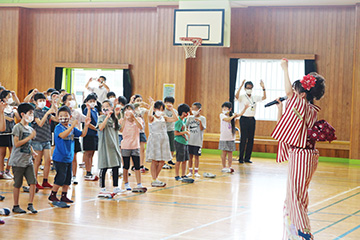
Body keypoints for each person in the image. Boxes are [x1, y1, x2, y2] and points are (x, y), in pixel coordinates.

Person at [272, 59, 327, 240]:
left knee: (294, 196)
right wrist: (281, 108)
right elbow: (288, 124)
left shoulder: (303, 106)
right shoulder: (309, 109)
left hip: (301, 154)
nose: (292, 94)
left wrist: (284, 68)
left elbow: (288, 92)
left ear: (303, 93)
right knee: (297, 197)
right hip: (305, 154)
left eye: (297, 91)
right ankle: (293, 234)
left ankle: (303, 233)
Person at [48, 106, 90, 204]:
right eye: (61, 116)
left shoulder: (72, 128)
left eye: (66, 115)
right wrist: (72, 126)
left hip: (68, 158)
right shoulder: (58, 127)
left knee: (68, 178)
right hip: (59, 158)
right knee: (60, 177)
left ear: (70, 116)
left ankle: (64, 195)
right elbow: (63, 135)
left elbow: (82, 134)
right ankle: (53, 195)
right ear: (58, 117)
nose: (64, 117)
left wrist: (86, 125)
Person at [8, 103, 38, 214]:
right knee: (18, 184)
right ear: (22, 114)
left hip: (28, 161)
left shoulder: (30, 128)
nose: (32, 115)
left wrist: (33, 152)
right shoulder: (17, 127)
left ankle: (30, 204)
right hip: (18, 161)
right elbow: (16, 144)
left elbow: (28, 144)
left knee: (33, 182)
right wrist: (29, 137)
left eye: (32, 113)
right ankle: (16, 205)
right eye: (30, 113)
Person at [146, 99, 177, 187]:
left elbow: (175, 119)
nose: (160, 111)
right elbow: (149, 114)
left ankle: (156, 178)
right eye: (159, 109)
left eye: (162, 109)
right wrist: (152, 104)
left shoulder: (164, 117)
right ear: (155, 109)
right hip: (155, 139)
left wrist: (171, 110)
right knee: (155, 160)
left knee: (162, 161)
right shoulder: (152, 118)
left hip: (163, 139)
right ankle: (154, 179)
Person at [62, 94, 93, 184]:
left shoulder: (76, 112)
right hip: (64, 137)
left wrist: (88, 110)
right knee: (64, 158)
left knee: (74, 157)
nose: (71, 101)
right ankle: (64, 175)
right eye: (69, 99)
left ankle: (74, 176)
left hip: (74, 137)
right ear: (64, 102)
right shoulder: (62, 112)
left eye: (72, 99)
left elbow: (86, 119)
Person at [235, 79, 266, 163]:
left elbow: (264, 98)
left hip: (252, 119)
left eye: (251, 88)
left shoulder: (254, 97)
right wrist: (240, 86)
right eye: (248, 87)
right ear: (245, 88)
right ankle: (241, 158)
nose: (249, 89)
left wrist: (263, 88)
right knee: (243, 138)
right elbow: (236, 96)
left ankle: (247, 158)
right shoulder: (242, 96)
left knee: (251, 139)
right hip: (244, 119)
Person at [97, 100, 123, 196]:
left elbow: (120, 128)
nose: (105, 108)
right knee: (104, 166)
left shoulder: (114, 118)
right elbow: (100, 128)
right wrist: (107, 117)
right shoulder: (101, 117)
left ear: (111, 108)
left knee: (115, 165)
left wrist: (119, 116)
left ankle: (116, 187)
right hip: (105, 145)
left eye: (107, 106)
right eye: (103, 106)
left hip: (114, 145)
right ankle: (102, 188)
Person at [31, 93, 57, 190]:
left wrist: (54, 104)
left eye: (43, 100)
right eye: (40, 101)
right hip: (37, 140)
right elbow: (40, 123)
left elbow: (57, 119)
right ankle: (34, 181)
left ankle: (45, 181)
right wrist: (47, 113)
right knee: (37, 162)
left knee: (48, 160)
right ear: (35, 102)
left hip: (46, 139)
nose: (42, 102)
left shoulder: (46, 110)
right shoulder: (35, 112)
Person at [119, 104, 146, 192]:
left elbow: (141, 127)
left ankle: (139, 183)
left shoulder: (138, 119)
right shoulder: (122, 120)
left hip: (135, 146)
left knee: (137, 166)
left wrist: (134, 117)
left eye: (130, 109)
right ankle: (126, 183)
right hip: (125, 146)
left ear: (134, 111)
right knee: (126, 166)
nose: (128, 111)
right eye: (126, 110)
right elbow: (121, 130)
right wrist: (124, 118)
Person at [219, 102, 248, 173]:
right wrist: (233, 116)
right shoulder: (222, 115)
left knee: (230, 153)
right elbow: (228, 120)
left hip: (231, 137)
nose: (224, 109)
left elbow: (241, 114)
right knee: (224, 152)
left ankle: (229, 166)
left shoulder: (232, 115)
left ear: (230, 109)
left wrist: (245, 108)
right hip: (223, 137)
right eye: (223, 108)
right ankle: (224, 167)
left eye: (225, 108)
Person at [0, 90, 20, 180]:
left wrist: (15, 95)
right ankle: (1, 171)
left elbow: (19, 117)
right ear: (3, 98)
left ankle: (8, 170)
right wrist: (5, 117)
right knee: (2, 154)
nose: (10, 99)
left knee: (13, 153)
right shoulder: (1, 108)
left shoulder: (12, 108)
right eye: (8, 97)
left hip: (11, 133)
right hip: (2, 134)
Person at [186, 102, 206, 178]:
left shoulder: (202, 118)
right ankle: (190, 171)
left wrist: (200, 122)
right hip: (190, 140)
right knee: (190, 156)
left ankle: (196, 171)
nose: (193, 110)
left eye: (195, 109)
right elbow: (186, 126)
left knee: (196, 157)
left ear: (199, 110)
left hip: (198, 141)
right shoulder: (190, 117)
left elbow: (202, 128)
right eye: (192, 109)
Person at [82, 94, 99, 181]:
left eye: (94, 101)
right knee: (88, 153)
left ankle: (90, 171)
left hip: (95, 135)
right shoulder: (86, 110)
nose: (92, 103)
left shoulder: (95, 110)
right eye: (90, 101)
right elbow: (87, 121)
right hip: (88, 134)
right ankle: (87, 172)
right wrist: (88, 109)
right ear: (86, 102)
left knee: (92, 154)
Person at [131, 94, 149, 172]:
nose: (139, 102)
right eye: (138, 100)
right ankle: (133, 165)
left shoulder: (142, 110)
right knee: (133, 149)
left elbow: (150, 112)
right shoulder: (131, 109)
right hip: (132, 131)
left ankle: (141, 165)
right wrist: (131, 102)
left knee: (142, 149)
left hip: (141, 131)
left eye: (140, 100)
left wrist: (150, 105)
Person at [174, 103, 191, 181]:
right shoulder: (178, 121)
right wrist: (185, 133)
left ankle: (183, 175)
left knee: (185, 160)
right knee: (179, 160)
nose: (187, 113)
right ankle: (177, 175)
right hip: (179, 142)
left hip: (184, 142)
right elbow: (176, 133)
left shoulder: (184, 120)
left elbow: (182, 130)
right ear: (183, 112)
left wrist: (185, 134)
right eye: (186, 112)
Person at [163, 96, 178, 168]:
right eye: (167, 102)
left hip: (171, 130)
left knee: (172, 146)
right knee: (163, 146)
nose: (169, 104)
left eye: (170, 103)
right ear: (164, 103)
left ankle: (170, 159)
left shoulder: (174, 111)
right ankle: (162, 161)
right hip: (163, 131)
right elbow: (166, 119)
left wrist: (172, 110)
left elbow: (176, 119)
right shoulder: (162, 110)